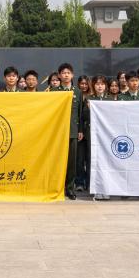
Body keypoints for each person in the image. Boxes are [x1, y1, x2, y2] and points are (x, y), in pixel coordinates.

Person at [55, 63, 84, 200]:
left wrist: (80, 130)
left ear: (72, 75)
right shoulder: (54, 91)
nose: (66, 75)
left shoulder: (77, 92)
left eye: (68, 73)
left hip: (72, 131)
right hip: (57, 132)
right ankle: (58, 187)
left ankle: (70, 188)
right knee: (57, 160)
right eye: (63, 73)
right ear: (59, 75)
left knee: (72, 162)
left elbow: (80, 113)